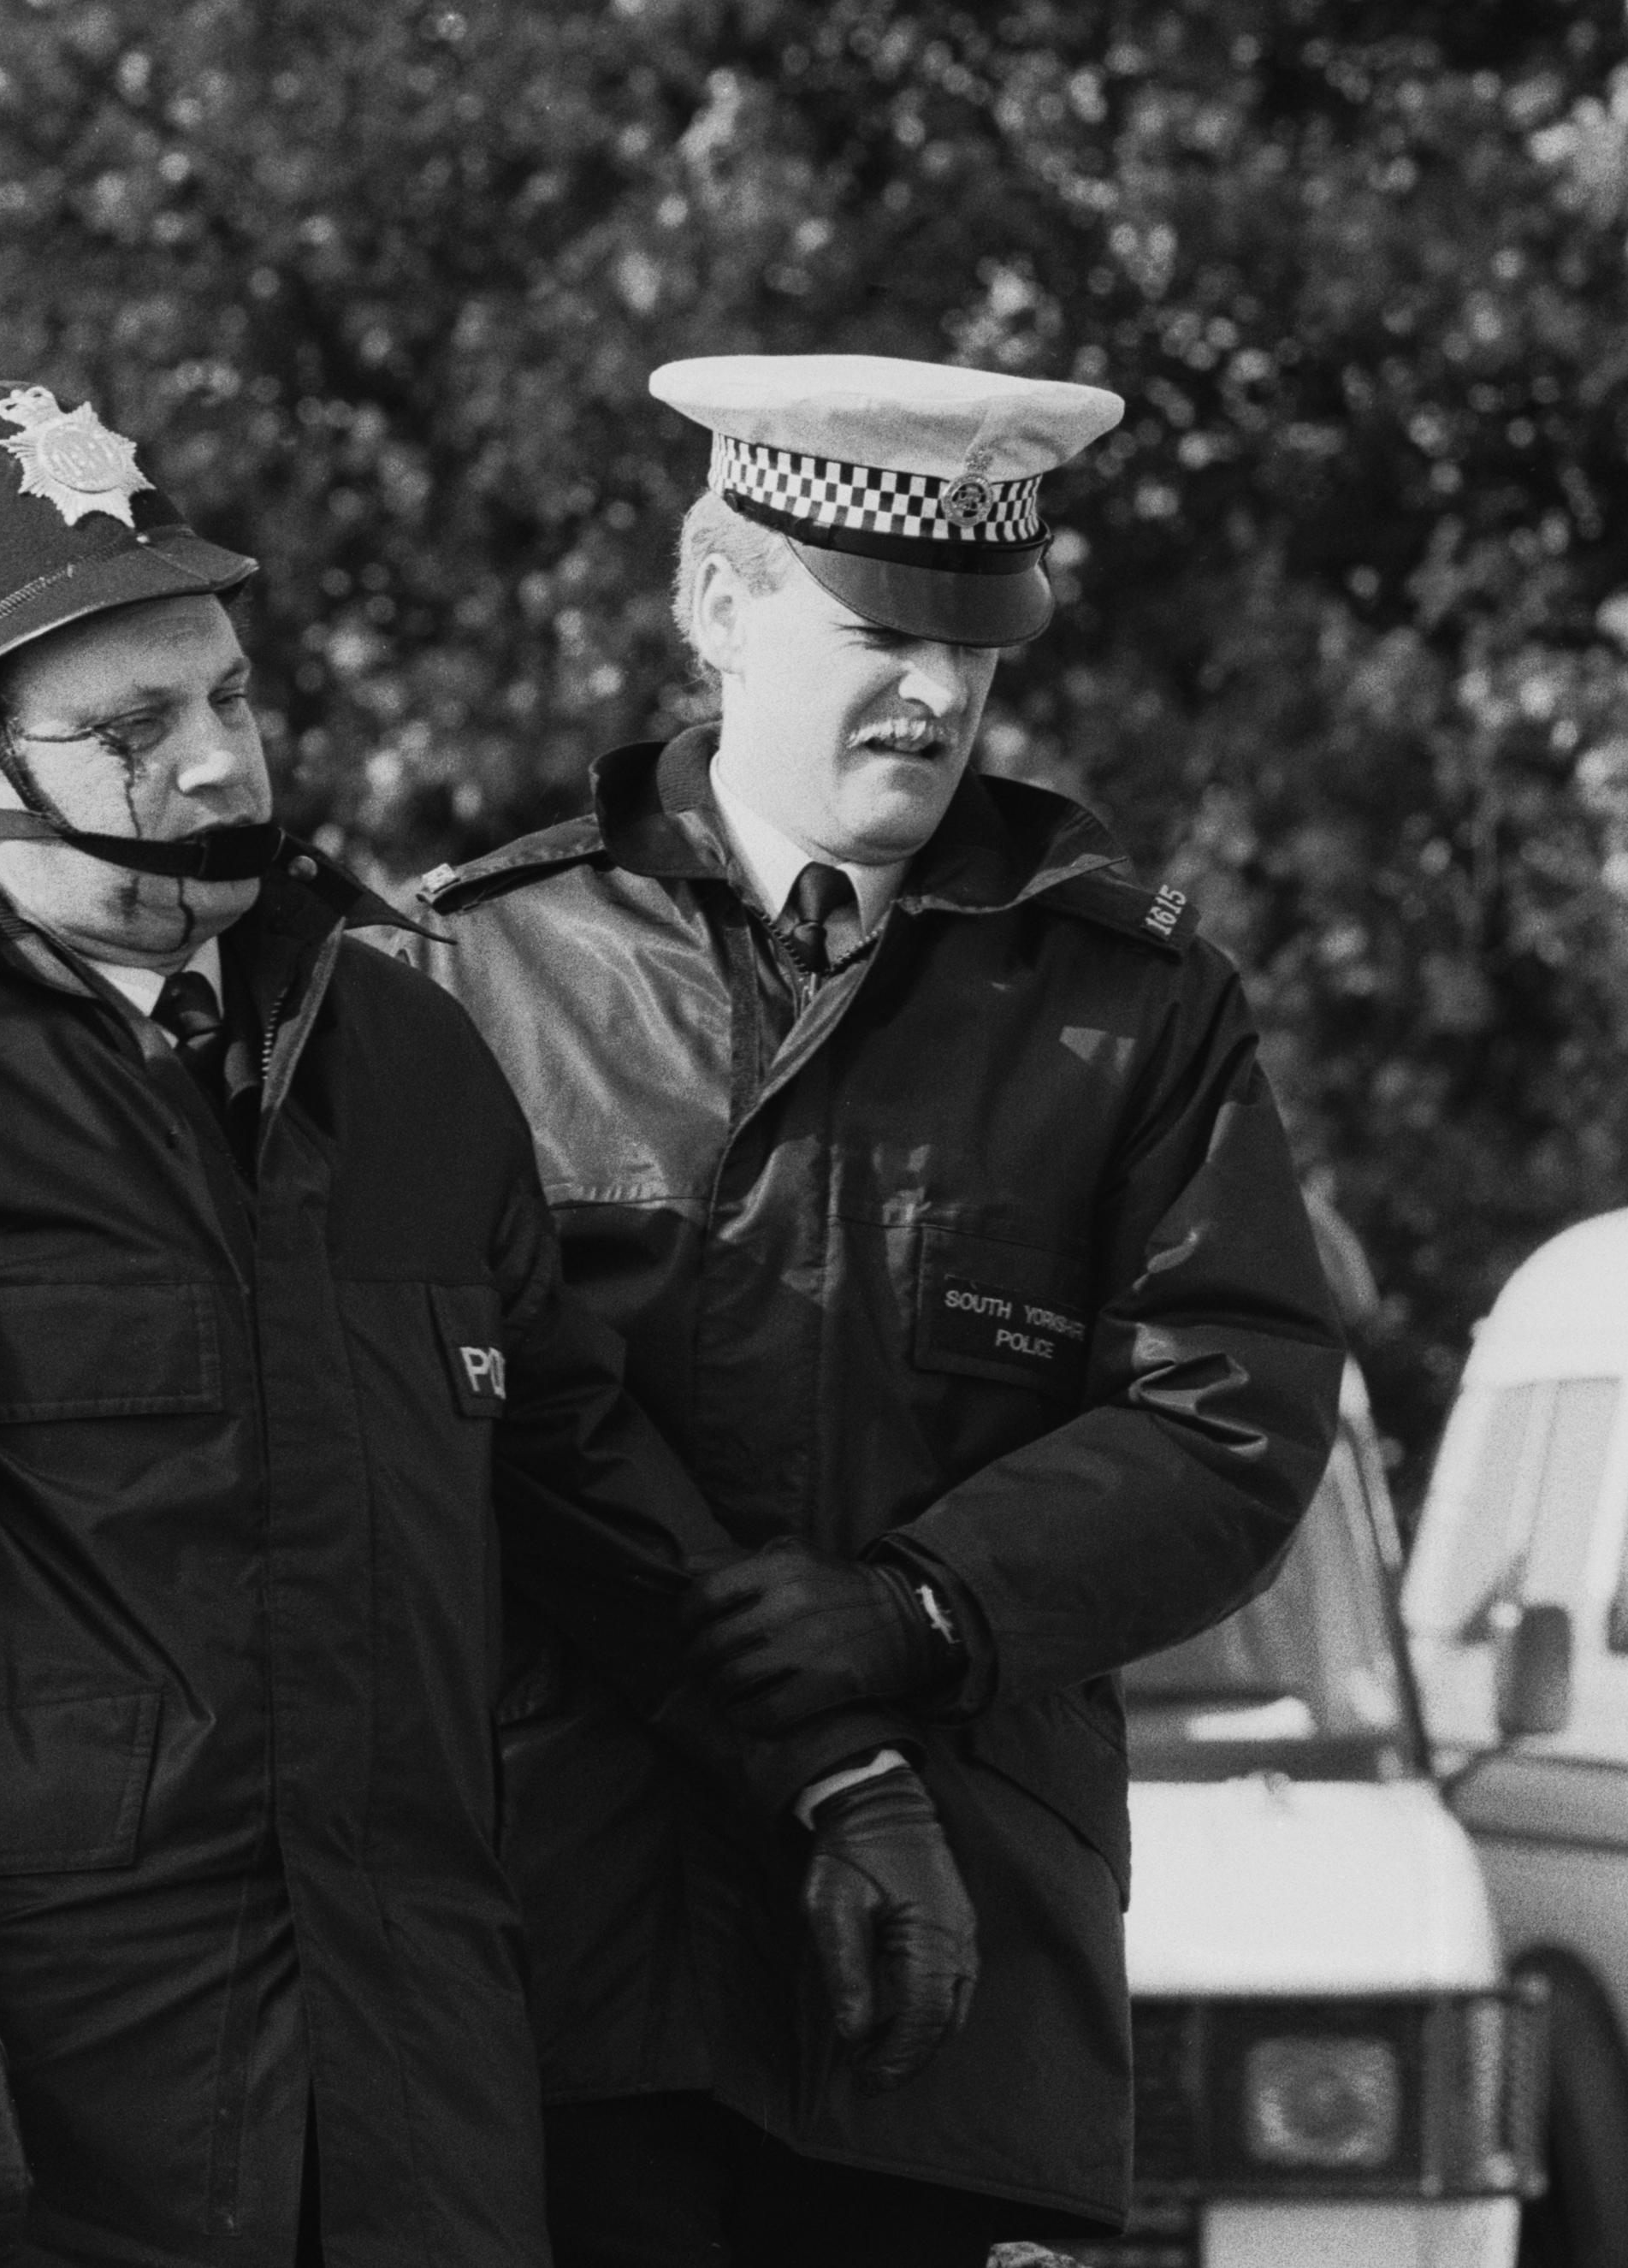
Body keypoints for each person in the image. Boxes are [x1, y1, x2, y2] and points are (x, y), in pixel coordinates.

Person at [0, 382, 914, 2268]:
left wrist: (838, 1767)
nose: (225, 771)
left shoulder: (402, 1059)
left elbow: (583, 1488)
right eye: (135, 729)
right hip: (40, 2129)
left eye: (232, 698)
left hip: (413, 2112)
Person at [401, 355, 1348, 2265]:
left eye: (979, 648)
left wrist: (926, 1606)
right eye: (881, 634)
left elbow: (1230, 1411)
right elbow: (436, 1429)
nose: (939, 696)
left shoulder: (1131, 1002)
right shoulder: (470, 976)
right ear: (717, 600)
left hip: (947, 1979)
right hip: (570, 1950)